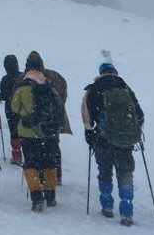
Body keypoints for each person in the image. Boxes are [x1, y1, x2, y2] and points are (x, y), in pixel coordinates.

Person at [82, 63, 144, 226]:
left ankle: (107, 206)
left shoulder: (94, 89)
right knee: (125, 174)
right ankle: (126, 211)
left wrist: (90, 134)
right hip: (124, 141)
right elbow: (140, 115)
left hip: (103, 140)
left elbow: (87, 117)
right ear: (115, 73)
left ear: (101, 73)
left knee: (105, 172)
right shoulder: (125, 89)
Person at [11, 52, 65, 212]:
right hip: (48, 132)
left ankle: (36, 196)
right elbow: (59, 106)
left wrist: (26, 113)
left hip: (28, 133)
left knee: (31, 164)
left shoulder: (22, 85)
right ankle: (50, 195)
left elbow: (14, 108)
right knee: (49, 163)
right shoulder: (49, 85)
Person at [28, 51, 72, 184]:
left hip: (35, 119)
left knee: (36, 149)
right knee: (53, 147)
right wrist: (56, 109)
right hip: (55, 118)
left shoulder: (27, 77)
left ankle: (41, 177)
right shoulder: (55, 76)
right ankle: (56, 176)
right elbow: (63, 95)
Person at [0, 55, 23, 165]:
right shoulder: (23, 76)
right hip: (24, 107)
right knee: (25, 131)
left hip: (10, 108)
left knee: (14, 131)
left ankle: (17, 155)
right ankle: (27, 152)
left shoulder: (5, 79)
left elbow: (4, 96)